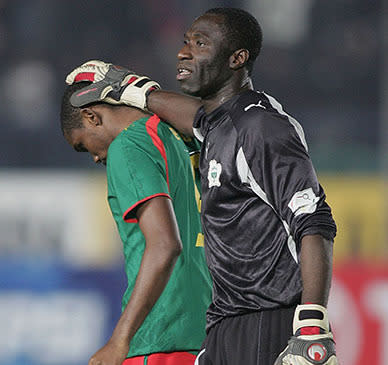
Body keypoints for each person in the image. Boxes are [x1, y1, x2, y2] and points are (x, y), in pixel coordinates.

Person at [66, 7, 338, 365]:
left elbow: (313, 220)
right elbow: (197, 117)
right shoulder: (217, 127)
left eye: (200, 43)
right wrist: (129, 90)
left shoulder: (261, 127)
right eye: (185, 42)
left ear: (237, 58)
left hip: (267, 319)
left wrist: (312, 323)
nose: (183, 52)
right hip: (224, 325)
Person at [60, 71, 212, 365]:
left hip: (160, 336)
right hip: (203, 332)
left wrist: (120, 340)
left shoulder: (127, 148)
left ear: (92, 116)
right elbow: (212, 119)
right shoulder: (174, 138)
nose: (92, 157)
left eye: (82, 145)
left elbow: (165, 245)